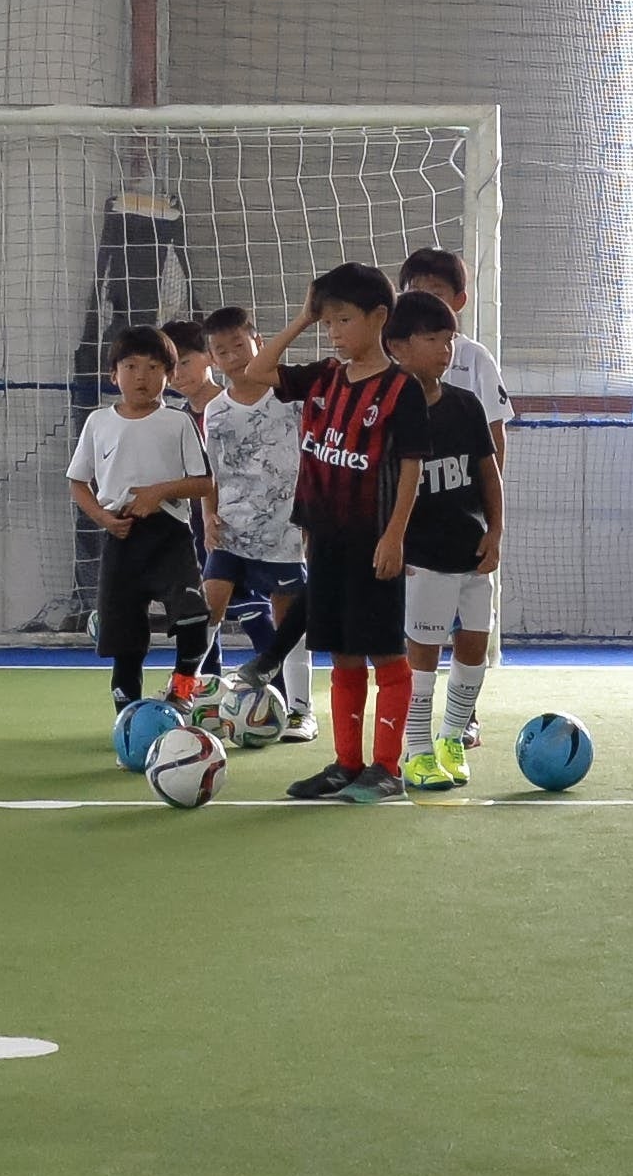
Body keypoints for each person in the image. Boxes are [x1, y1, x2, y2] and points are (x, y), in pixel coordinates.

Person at [277, 262, 420, 804]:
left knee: (385, 652)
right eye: (327, 322)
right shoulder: (324, 377)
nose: (333, 332)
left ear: (379, 317)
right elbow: (256, 372)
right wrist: (301, 318)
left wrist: (395, 535)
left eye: (343, 320)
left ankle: (387, 768)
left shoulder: (401, 388)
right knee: (341, 655)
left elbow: (410, 467)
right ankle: (345, 763)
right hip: (326, 542)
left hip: (372, 542)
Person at [377, 287, 507, 789]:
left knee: (473, 645)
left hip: (469, 548)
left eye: (450, 339)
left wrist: (495, 531)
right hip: (421, 556)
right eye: (432, 339)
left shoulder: (465, 404)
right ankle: (416, 750)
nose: (446, 350)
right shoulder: (387, 412)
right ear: (398, 346)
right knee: (423, 654)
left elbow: (488, 473)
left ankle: (452, 737)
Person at [66, 327, 215, 720]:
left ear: (169, 374)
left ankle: (183, 687)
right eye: (131, 367)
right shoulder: (98, 422)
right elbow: (78, 481)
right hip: (121, 536)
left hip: (169, 536)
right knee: (126, 640)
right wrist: (103, 518)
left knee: (194, 616)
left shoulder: (178, 422)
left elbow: (204, 482)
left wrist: (159, 492)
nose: (141, 376)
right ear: (114, 374)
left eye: (153, 367)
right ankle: (128, 718)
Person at [197, 301, 308, 726]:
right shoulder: (216, 410)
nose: (233, 356)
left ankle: (300, 710)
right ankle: (189, 693)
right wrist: (209, 516)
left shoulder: (291, 397)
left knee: (288, 620)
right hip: (232, 529)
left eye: (239, 345)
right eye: (222, 351)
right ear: (213, 359)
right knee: (209, 607)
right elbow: (211, 472)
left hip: (285, 530)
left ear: (258, 341)